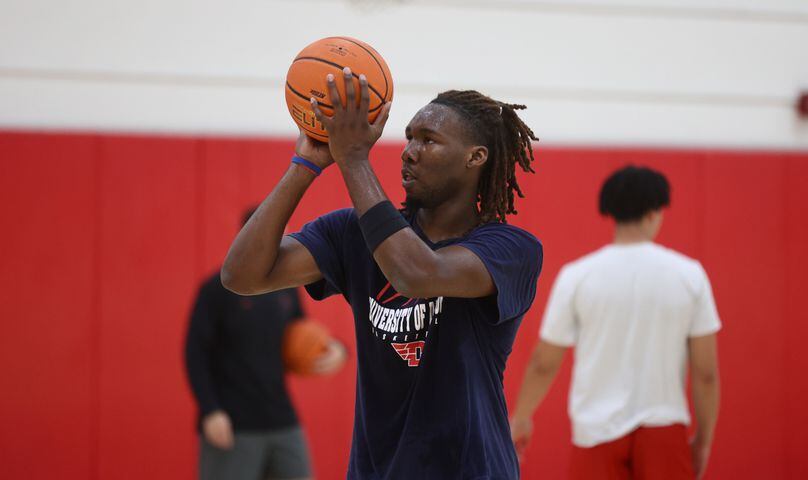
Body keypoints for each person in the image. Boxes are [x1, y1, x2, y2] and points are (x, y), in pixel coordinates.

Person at [221, 67, 543, 479]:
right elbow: (241, 276)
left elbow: (415, 273)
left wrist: (353, 158)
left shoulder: (510, 250)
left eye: (429, 139)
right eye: (409, 136)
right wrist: (307, 161)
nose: (409, 151)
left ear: (475, 157)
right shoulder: (353, 233)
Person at [510, 165, 721, 480]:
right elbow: (705, 374)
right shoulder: (689, 275)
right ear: (654, 212)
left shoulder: (577, 276)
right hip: (664, 430)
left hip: (596, 432)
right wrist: (703, 440)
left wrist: (521, 417)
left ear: (612, 212)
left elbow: (544, 362)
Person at [185, 208, 346, 480]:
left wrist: (339, 350)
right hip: (233, 423)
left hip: (282, 419)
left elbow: (302, 337)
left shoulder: (287, 288)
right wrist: (211, 410)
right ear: (245, 237)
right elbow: (195, 353)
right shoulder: (217, 288)